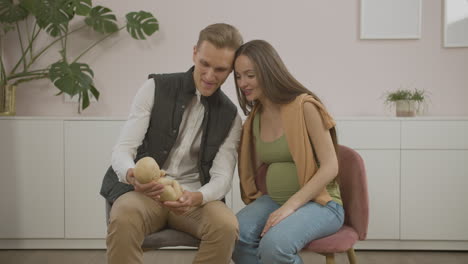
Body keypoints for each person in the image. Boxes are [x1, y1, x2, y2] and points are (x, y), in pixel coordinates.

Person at [99, 23, 243, 264]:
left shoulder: (231, 116)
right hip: (144, 193)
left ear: (231, 71)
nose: (209, 76)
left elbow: (222, 176)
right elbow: (124, 149)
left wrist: (198, 196)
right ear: (194, 52)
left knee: (226, 226)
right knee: (123, 216)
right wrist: (131, 174)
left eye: (220, 69)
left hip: (194, 197)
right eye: (205, 64)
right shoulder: (155, 88)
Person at [231, 40, 344, 264]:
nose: (243, 83)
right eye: (238, 76)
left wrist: (290, 207)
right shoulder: (254, 119)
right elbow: (246, 164)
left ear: (268, 70)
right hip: (274, 201)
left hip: (321, 204)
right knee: (235, 235)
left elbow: (331, 165)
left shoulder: (305, 107)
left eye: (250, 75)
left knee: (275, 245)